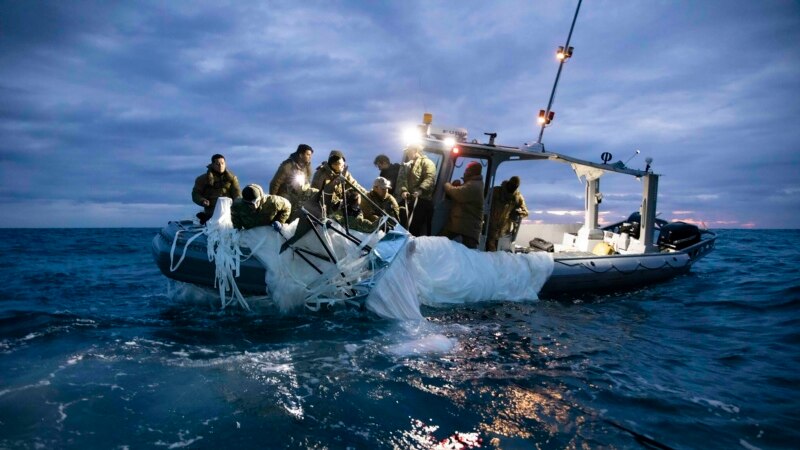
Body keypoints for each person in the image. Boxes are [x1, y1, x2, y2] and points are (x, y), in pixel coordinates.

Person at [443, 161, 485, 249]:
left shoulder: (474, 185)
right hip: (464, 227)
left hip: (467, 231)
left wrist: (447, 185)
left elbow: (458, 194)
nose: (465, 171)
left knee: (464, 257)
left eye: (467, 170)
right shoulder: (473, 183)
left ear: (471, 172)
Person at [397, 143, 436, 236]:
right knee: (398, 217)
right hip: (409, 199)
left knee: (414, 228)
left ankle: (412, 247)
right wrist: (403, 191)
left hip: (422, 200)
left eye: (408, 151)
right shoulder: (407, 165)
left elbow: (430, 178)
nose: (407, 154)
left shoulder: (428, 163)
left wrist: (421, 190)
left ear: (415, 151)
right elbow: (402, 179)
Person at [310, 150, 368, 214]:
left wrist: (367, 194)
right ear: (333, 164)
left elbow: (355, 185)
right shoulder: (321, 174)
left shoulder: (344, 173)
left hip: (340, 206)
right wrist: (339, 204)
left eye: (343, 163)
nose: (343, 165)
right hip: (323, 208)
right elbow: (320, 194)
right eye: (341, 164)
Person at [192, 154, 241, 224]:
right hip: (212, 211)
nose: (220, 166)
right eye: (217, 164)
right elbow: (195, 194)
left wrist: (239, 202)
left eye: (222, 163)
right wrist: (202, 201)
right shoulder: (202, 179)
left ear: (225, 164)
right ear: (212, 165)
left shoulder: (232, 178)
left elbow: (237, 192)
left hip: (229, 211)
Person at [486, 176, 529, 251]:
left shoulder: (517, 197)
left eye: (515, 186)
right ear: (508, 183)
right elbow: (484, 200)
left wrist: (519, 212)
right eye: (512, 185)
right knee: (489, 252)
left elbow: (525, 212)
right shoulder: (496, 191)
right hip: (489, 228)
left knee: (499, 254)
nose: (513, 188)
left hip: (504, 232)